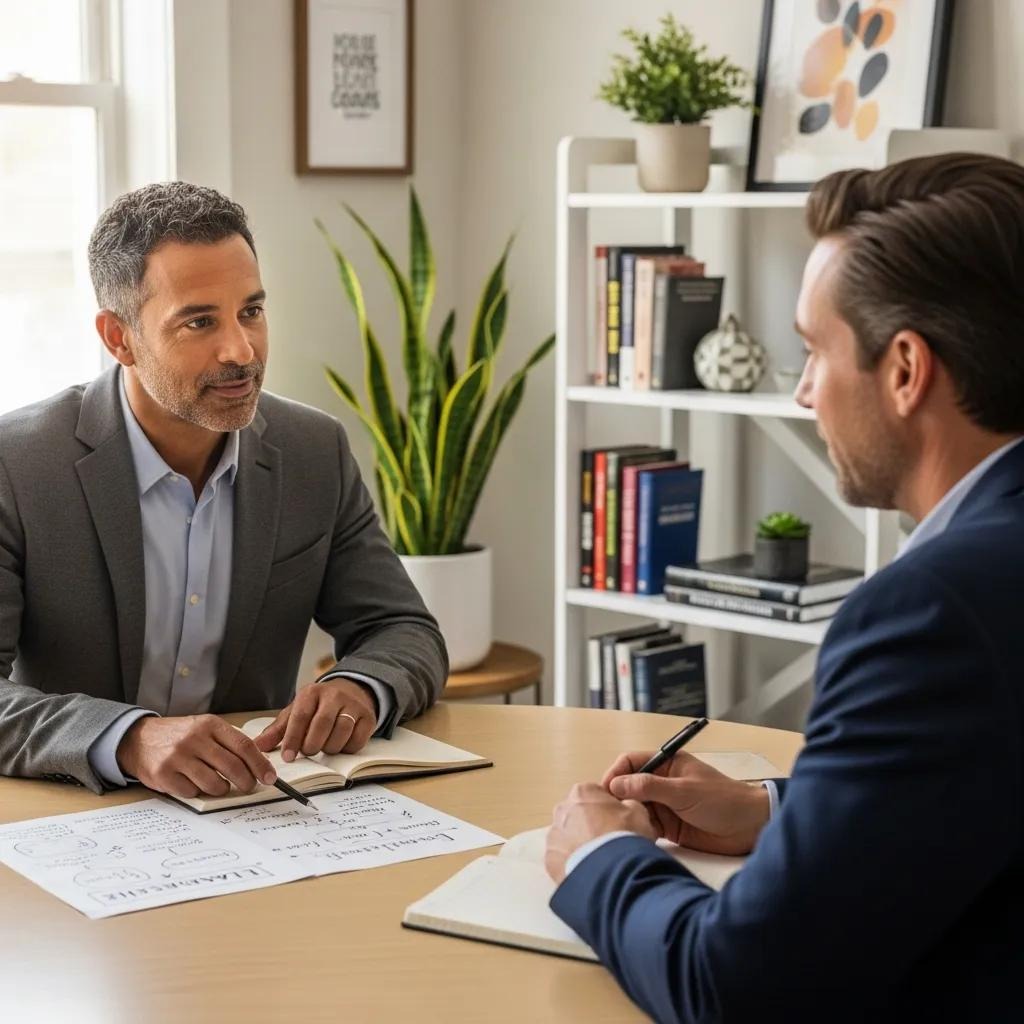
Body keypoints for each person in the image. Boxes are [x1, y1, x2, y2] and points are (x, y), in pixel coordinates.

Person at [545, 152, 1024, 1022]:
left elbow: (736, 989)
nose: (804, 393)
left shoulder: (933, 612)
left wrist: (597, 857)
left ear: (907, 370)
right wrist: (770, 808)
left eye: (813, 352)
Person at [0, 182, 447, 801]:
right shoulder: (17, 464)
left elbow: (402, 628)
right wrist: (129, 738)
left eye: (252, 312)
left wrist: (361, 687)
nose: (241, 350)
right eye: (199, 321)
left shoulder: (314, 451)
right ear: (118, 337)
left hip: (257, 808)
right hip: (75, 812)